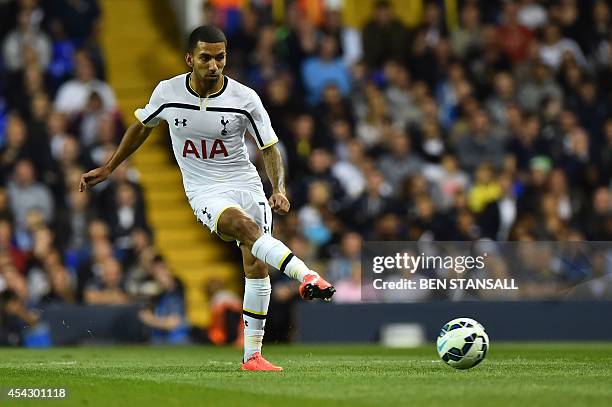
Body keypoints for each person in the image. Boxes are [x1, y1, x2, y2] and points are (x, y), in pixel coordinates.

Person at [79, 26, 335, 371]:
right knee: (243, 227)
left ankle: (252, 356)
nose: (214, 65)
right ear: (190, 59)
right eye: (206, 57)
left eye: (220, 57)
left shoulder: (245, 98)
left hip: (244, 182)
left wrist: (278, 189)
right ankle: (307, 276)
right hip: (203, 189)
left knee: (256, 265)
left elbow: (269, 147)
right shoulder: (167, 92)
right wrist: (110, 167)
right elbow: (142, 126)